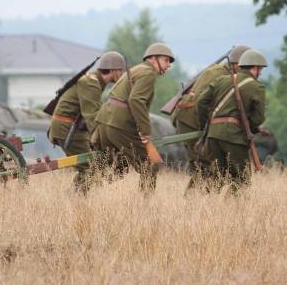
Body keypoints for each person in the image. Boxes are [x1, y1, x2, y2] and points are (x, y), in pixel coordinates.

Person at [94, 42, 175, 194]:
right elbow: (136, 100)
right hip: (119, 124)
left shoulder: (137, 69)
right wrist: (146, 132)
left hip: (105, 121)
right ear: (153, 59)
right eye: (166, 60)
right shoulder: (148, 73)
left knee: (111, 164)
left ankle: (79, 192)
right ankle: (145, 207)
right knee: (151, 164)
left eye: (169, 61)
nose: (169, 64)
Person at [172, 45, 250, 193]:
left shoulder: (221, 72)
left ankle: (196, 203)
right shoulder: (221, 75)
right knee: (208, 166)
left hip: (189, 119)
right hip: (191, 121)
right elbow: (203, 102)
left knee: (204, 167)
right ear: (237, 64)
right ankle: (198, 202)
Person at [47, 51, 127, 193]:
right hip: (67, 129)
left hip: (73, 129)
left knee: (92, 166)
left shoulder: (95, 82)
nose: (122, 75)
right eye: (122, 71)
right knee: (91, 168)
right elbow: (92, 117)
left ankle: (75, 196)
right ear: (114, 70)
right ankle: (75, 198)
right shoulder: (91, 83)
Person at [196, 49, 268, 194]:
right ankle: (233, 209)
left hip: (213, 136)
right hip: (235, 137)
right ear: (255, 68)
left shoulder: (221, 79)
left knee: (216, 177)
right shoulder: (256, 87)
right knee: (242, 179)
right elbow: (258, 118)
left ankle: (204, 206)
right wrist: (252, 128)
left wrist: (208, 125)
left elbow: (201, 102)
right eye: (260, 69)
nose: (260, 73)